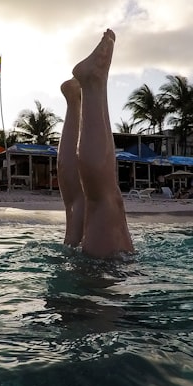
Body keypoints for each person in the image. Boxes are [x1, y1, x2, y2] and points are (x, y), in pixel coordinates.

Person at [57, 29, 134, 258]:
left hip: (104, 274)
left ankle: (91, 87)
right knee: (81, 201)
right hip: (88, 278)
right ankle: (76, 100)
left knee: (104, 200)